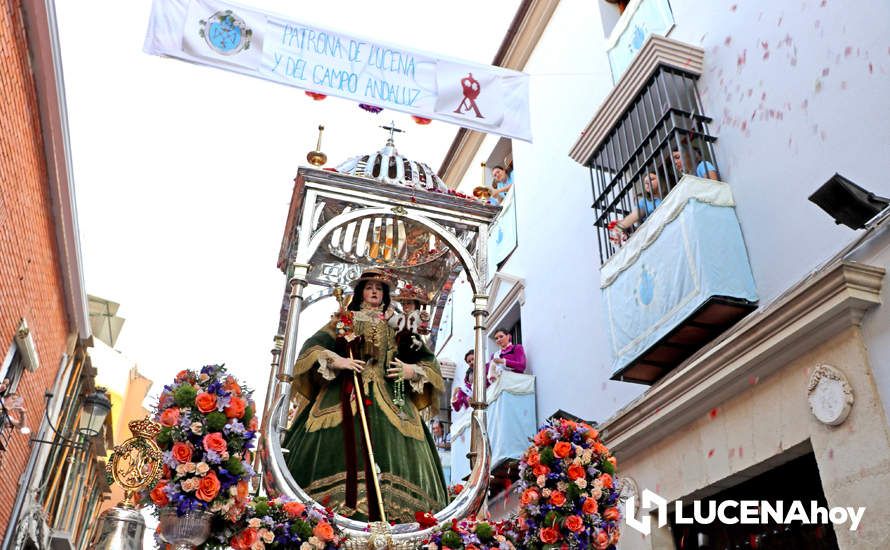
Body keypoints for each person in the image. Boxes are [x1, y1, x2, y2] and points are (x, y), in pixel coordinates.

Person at [282, 270, 448, 522]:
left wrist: (410, 370)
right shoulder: (343, 319)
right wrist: (337, 360)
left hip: (393, 400)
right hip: (343, 397)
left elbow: (427, 360)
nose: (374, 292)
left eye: (379, 288)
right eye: (369, 287)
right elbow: (312, 348)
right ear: (361, 291)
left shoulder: (398, 326)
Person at [610, 171, 664, 241]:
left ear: (660, 180)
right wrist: (619, 228)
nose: (647, 183)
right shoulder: (645, 202)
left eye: (652, 179)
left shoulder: (669, 193)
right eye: (645, 182)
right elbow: (635, 215)